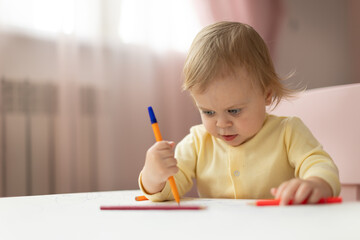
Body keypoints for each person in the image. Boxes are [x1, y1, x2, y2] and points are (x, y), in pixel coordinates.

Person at [139, 21, 340, 205]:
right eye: (208, 112)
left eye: (233, 111)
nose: (222, 124)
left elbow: (319, 164)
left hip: (277, 228)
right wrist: (153, 176)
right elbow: (169, 193)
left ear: (267, 94)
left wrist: (316, 182)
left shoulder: (288, 132)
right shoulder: (198, 142)